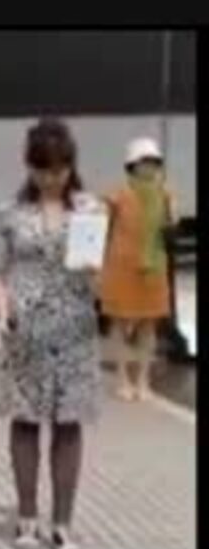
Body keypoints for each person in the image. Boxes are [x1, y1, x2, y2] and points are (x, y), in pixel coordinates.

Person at [0, 119, 102, 549]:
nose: (51, 179)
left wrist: (96, 268)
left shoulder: (89, 210)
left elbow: (99, 276)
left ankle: (63, 524)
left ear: (71, 165)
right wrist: (3, 314)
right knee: (25, 421)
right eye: (42, 170)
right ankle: (26, 518)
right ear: (29, 166)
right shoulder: (10, 213)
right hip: (26, 330)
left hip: (74, 329)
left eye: (58, 170)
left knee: (69, 424)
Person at [99, 138, 175, 402]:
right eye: (144, 162)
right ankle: (122, 377)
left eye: (154, 162)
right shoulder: (117, 194)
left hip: (153, 269)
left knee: (148, 325)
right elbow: (99, 224)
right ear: (132, 165)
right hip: (121, 267)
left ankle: (143, 379)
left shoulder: (165, 195)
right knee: (119, 324)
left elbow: (170, 227)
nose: (149, 167)